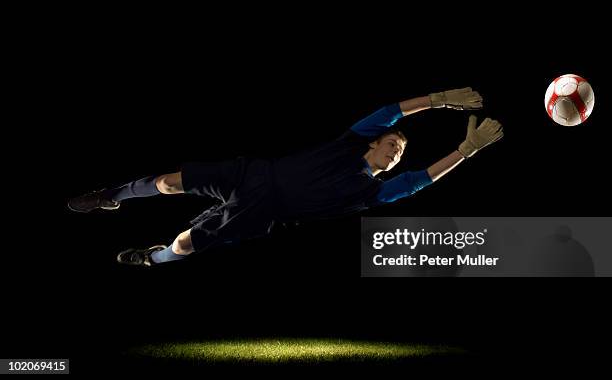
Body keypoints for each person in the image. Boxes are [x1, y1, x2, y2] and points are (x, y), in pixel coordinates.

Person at [68, 87, 503, 266]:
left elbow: (420, 180)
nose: (396, 151)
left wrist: (465, 151)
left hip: (263, 213)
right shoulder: (349, 144)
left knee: (183, 244)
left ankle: (152, 258)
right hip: (249, 175)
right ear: (373, 143)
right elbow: (391, 112)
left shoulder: (372, 192)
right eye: (392, 144)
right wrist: (440, 98)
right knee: (168, 182)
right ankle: (113, 195)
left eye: (401, 152)